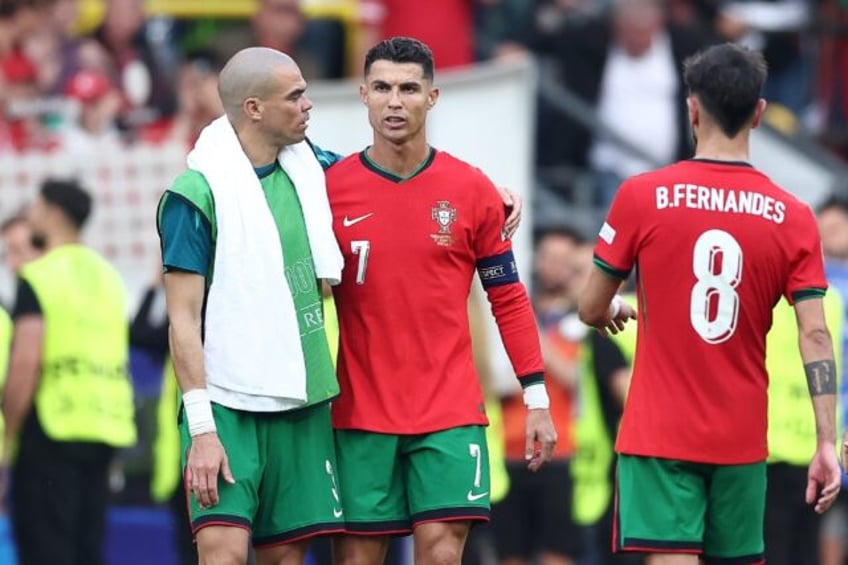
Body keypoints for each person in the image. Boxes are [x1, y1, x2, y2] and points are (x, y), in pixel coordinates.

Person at [578, 42, 842, 564]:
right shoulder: (793, 216)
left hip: (659, 434)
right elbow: (814, 333)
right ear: (760, 114)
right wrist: (826, 442)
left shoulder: (642, 195)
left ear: (692, 109)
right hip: (741, 440)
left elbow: (588, 307)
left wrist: (611, 312)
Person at [326, 37, 557, 565]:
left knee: (441, 551)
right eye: (382, 87)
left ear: (432, 97)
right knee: (357, 557)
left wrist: (536, 397)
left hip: (449, 413)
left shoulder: (471, 189)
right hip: (360, 413)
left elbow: (509, 298)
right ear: (363, 94)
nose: (394, 101)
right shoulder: (328, 190)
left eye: (409, 88)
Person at [158, 47, 347, 565]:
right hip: (226, 405)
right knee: (223, 555)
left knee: (286, 558)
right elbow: (182, 320)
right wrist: (201, 429)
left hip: (301, 394)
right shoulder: (193, 195)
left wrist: (492, 197)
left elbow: (402, 181)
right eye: (295, 96)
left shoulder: (319, 171)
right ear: (254, 108)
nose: (308, 104)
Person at [3, 178, 137, 565]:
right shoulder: (109, 278)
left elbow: (26, 361)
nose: (31, 214)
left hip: (52, 427)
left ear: (54, 214)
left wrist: (8, 439)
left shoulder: (41, 276)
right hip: (105, 428)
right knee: (87, 547)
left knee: (47, 547)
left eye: (37, 207)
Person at [763, 291, 844, 565]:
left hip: (769, 448)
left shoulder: (762, 297)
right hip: (816, 450)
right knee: (806, 553)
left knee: (768, 552)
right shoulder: (830, 299)